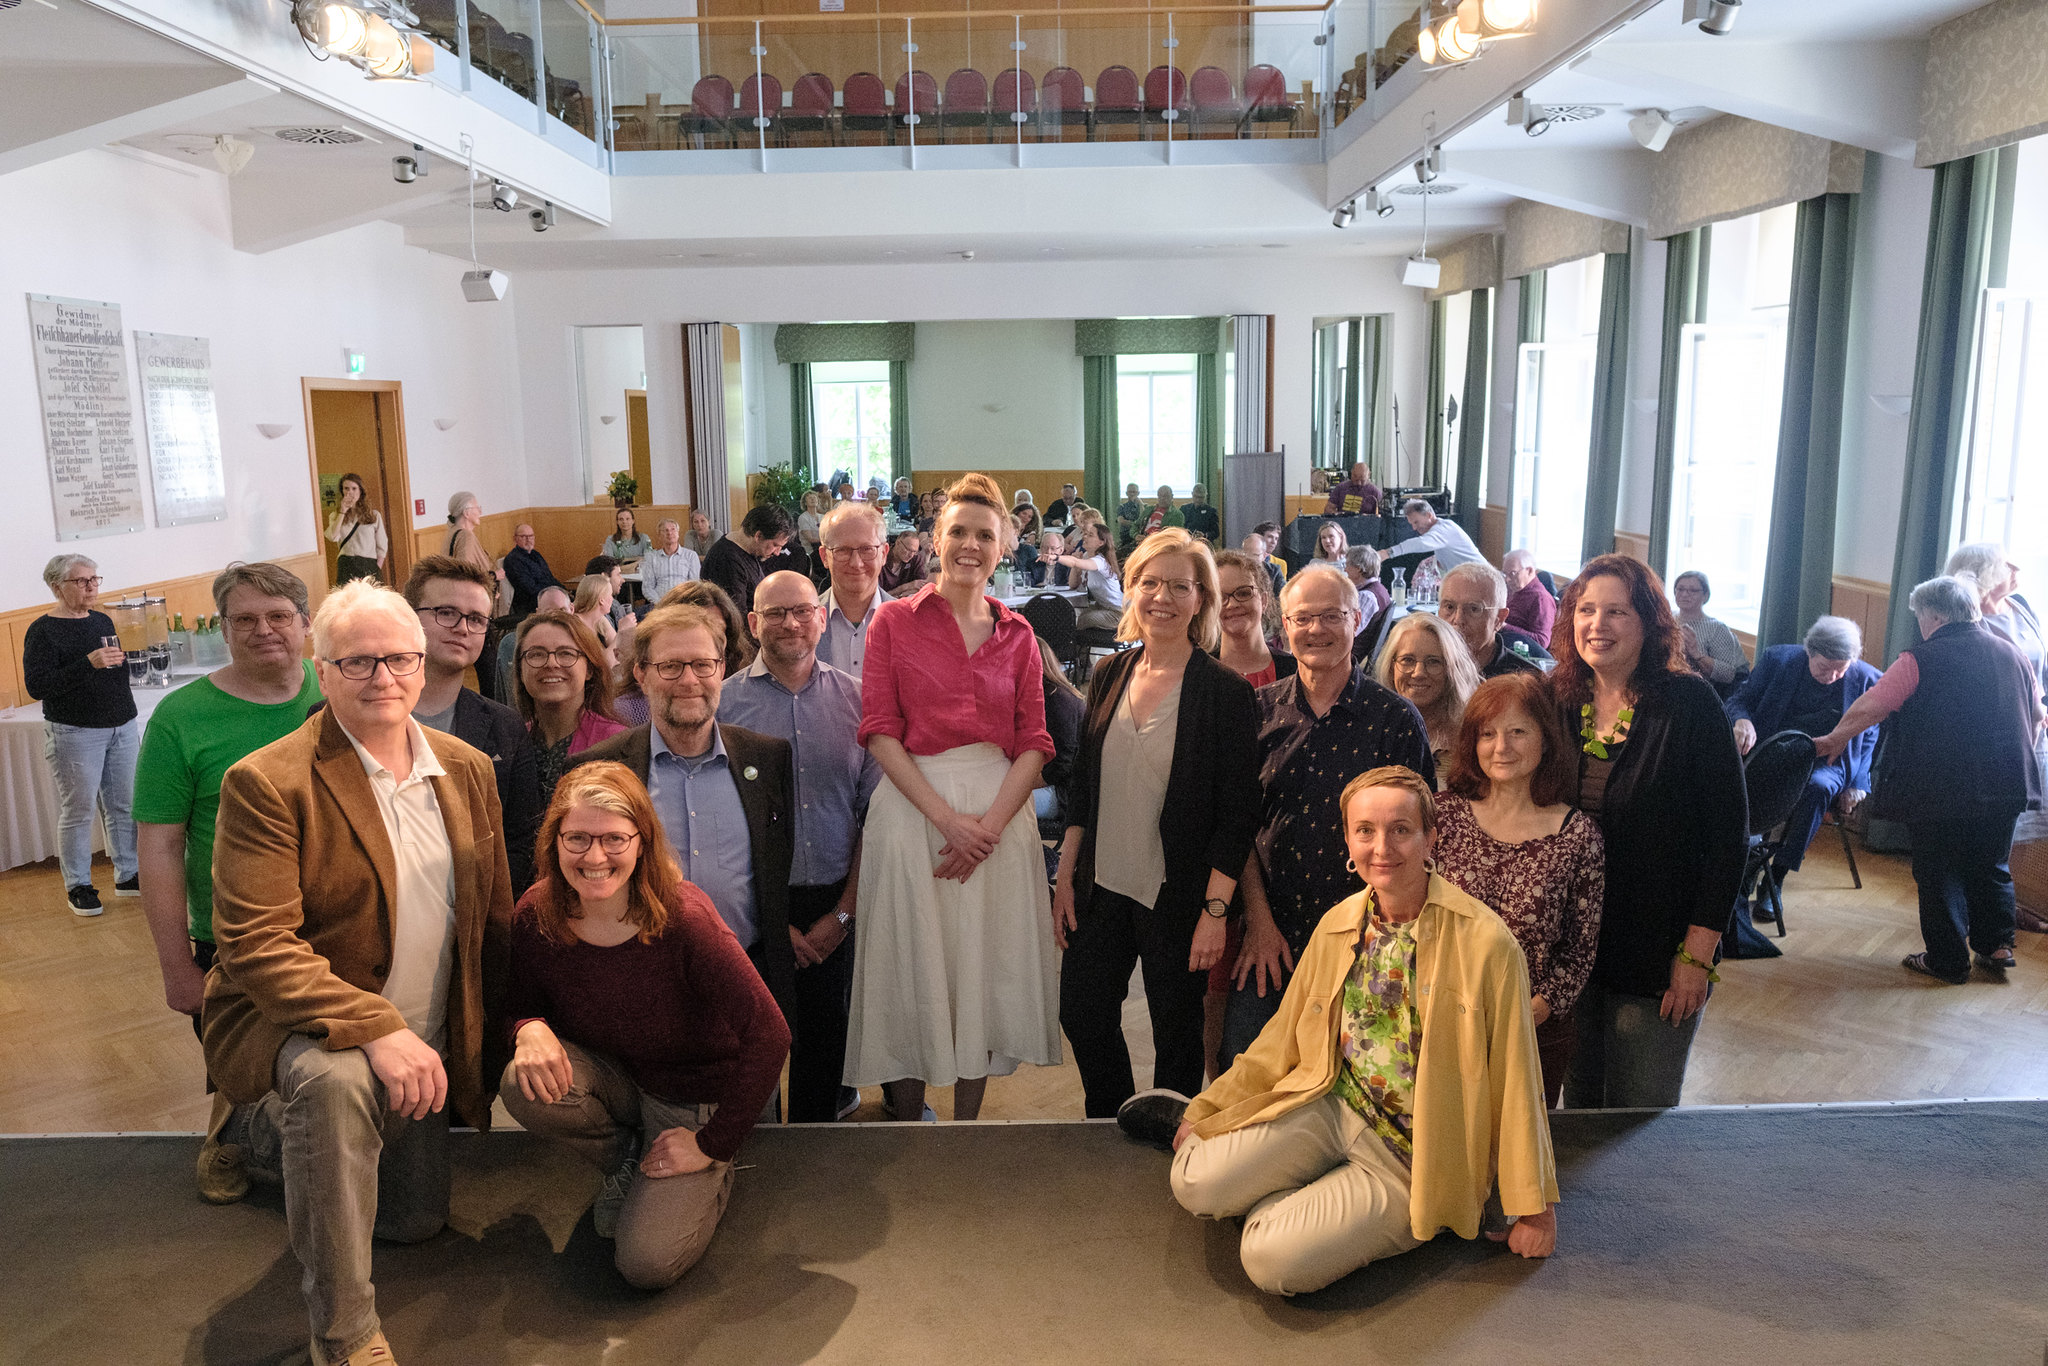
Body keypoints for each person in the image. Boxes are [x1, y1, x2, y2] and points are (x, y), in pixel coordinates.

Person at [198, 581, 512, 1366]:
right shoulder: (267, 782)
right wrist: (376, 1029)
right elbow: (257, 946)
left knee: (413, 1223)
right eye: (360, 661)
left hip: (425, 1035)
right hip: (297, 1021)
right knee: (335, 1088)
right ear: (323, 668)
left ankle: (274, 1139)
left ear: (422, 659)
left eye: (399, 659)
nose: (385, 678)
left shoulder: (468, 768)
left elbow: (494, 915)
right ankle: (344, 1334)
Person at [1153, 765, 1557, 1296]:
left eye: (1401, 829)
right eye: (1365, 830)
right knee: (1192, 1180)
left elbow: (1516, 1076)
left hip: (1409, 1159)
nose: (1382, 847)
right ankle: (1307, 1203)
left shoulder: (1486, 943)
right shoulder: (1339, 922)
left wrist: (1536, 1208)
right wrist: (1206, 1108)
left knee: (1269, 1262)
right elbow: (1282, 1040)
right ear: (1347, 839)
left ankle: (1313, 1212)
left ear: (1431, 838)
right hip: (1329, 1104)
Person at [502, 761, 789, 1285]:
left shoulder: (684, 919)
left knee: (644, 1264)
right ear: (554, 841)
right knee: (520, 1086)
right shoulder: (536, 914)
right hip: (620, 1079)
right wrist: (527, 1026)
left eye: (613, 839)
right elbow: (518, 1001)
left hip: (693, 1098)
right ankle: (628, 1158)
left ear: (641, 841)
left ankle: (720, 1169)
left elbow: (771, 1034)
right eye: (577, 838)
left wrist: (709, 1145)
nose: (594, 857)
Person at [847, 472, 1061, 1123]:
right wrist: (948, 821)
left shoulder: (1019, 634)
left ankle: (967, 1127)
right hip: (914, 811)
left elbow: (1036, 741)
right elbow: (878, 731)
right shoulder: (893, 621)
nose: (970, 545)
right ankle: (910, 1122)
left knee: (983, 968)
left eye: (984, 535)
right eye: (958, 532)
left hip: (1000, 816)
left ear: (1004, 547)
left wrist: (987, 829)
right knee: (910, 961)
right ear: (937, 540)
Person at [1053, 530, 1259, 1117]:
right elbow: (1083, 791)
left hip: (1179, 893)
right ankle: (1114, 1116)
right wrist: (1064, 878)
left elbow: (1237, 815)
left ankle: (1171, 1135)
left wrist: (1216, 914)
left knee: (1176, 1032)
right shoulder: (1110, 674)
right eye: (1149, 582)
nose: (1161, 596)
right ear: (1130, 589)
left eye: (1180, 586)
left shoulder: (1226, 692)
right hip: (1102, 885)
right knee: (1083, 1012)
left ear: (1201, 601)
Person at [1551, 555, 1746, 1109]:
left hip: (1658, 950)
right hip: (1572, 950)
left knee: (1641, 1113)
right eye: (1586, 610)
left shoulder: (1689, 703)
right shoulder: (1560, 699)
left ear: (1649, 622)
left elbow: (1727, 836)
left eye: (1616, 611)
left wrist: (1697, 954)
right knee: (1580, 1109)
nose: (1597, 625)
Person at [1222, 565, 1435, 1068]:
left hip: (1367, 936)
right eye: (1303, 618)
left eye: (1331, 616)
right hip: (1272, 935)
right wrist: (1258, 922)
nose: (1316, 629)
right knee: (1248, 1066)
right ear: (1284, 626)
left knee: (1359, 1077)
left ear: (1357, 620)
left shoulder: (1396, 719)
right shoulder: (1255, 712)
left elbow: (1418, 838)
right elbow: (1238, 826)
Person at [575, 604, 799, 1031]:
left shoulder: (768, 759)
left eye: (702, 664)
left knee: (754, 1096)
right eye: (671, 666)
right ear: (641, 674)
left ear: (721, 670)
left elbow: (775, 872)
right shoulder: (600, 769)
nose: (689, 680)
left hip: (747, 982)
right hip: (636, 981)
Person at [1814, 576, 2044, 983]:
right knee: (1991, 865)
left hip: (1942, 788)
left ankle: (1947, 960)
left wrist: (1835, 739)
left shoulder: (1921, 658)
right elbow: (2038, 717)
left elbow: (1873, 705)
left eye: (1920, 614)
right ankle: (1997, 946)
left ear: (1934, 615)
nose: (1919, 622)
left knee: (1938, 871)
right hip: (2007, 782)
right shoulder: (2013, 654)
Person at [137, 563, 324, 1057]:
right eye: (244, 619)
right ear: (223, 628)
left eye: (279, 615)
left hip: (340, 927)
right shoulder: (179, 719)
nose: (263, 630)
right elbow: (159, 846)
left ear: (307, 622)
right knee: (251, 1092)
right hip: (235, 944)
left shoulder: (338, 687)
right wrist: (176, 966)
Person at [717, 572, 877, 1122]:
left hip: (835, 901)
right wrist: (770, 916)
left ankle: (813, 1160)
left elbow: (870, 819)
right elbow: (721, 821)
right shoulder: (724, 705)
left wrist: (845, 913)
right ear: (753, 623)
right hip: (755, 903)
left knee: (825, 1047)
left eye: (803, 610)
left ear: (821, 617)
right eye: (776, 613)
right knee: (756, 1046)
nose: (791, 623)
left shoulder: (858, 702)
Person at [1434, 674, 1604, 1106]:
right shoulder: (1441, 816)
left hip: (1533, 1031)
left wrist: (1533, 1011)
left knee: (1516, 1161)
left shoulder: (1577, 835)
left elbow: (1579, 949)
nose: (1500, 747)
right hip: (1439, 1021)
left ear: (1546, 740)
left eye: (1517, 732)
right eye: (1487, 734)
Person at [403, 555, 542, 897]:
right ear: (407, 618)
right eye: (446, 613)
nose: (463, 628)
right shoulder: (346, 717)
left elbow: (523, 839)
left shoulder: (504, 726)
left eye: (477, 619)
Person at [1724, 616, 1881, 908]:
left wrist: (1859, 782)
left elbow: (1870, 735)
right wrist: (1742, 720)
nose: (1832, 677)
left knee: (1818, 789)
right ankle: (1749, 861)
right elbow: (1739, 699)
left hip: (1827, 763)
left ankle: (1777, 876)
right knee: (1747, 783)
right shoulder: (1779, 660)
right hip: (1771, 751)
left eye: (1840, 670)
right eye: (1824, 667)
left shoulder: (1868, 679)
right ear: (1809, 652)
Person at [25, 554, 139, 914]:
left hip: (120, 724)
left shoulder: (102, 619)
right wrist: (87, 663)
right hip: (75, 731)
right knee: (78, 810)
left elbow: (116, 669)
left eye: (94, 579)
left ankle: (128, 873)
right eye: (81, 581)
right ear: (57, 586)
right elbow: (37, 686)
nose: (91, 586)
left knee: (123, 804)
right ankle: (79, 885)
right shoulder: (42, 630)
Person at [1949, 542, 2048, 854]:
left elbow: (2041, 665)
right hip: (1996, 736)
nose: (2017, 570)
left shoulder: (2020, 604)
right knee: (1992, 830)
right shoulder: (1964, 621)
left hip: (2036, 728)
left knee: (2024, 826)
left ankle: (2004, 893)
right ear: (1985, 576)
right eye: (2008, 565)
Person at [512, 609, 627, 806]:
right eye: (536, 654)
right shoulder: (511, 741)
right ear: (520, 670)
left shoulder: (616, 744)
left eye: (566, 653)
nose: (551, 663)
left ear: (590, 669)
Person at [1375, 613, 1482, 785]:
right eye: (1407, 660)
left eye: (1433, 662)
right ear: (1391, 667)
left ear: (1452, 670)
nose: (1418, 673)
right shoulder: (1373, 729)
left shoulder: (1473, 736)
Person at [814, 501, 888, 677]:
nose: (856, 563)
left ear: (884, 554)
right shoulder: (802, 622)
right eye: (843, 550)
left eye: (867, 549)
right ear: (824, 557)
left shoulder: (908, 623)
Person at [1439, 561, 1543, 679]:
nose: (1458, 619)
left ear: (1499, 619)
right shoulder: (1427, 664)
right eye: (1449, 607)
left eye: (1474, 609)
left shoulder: (1523, 679)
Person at [1214, 548, 1294, 688]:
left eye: (1244, 593)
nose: (1232, 604)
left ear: (1264, 601)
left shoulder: (1295, 671)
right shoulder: (1196, 673)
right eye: (1221, 597)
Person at [703, 504, 795, 622]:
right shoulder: (727, 559)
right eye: (775, 545)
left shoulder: (749, 551)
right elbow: (737, 619)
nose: (777, 553)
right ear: (758, 536)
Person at [1670, 570, 1747, 694]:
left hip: (1705, 690)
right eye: (1680, 589)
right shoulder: (1667, 619)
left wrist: (1696, 654)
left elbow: (1728, 675)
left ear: (1705, 596)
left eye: (1693, 590)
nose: (1685, 594)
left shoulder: (1717, 628)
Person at [1385, 499, 1483, 573]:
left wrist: (1387, 553)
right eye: (1411, 524)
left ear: (1429, 515)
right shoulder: (1437, 530)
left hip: (1481, 577)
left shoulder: (1444, 528)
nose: (1414, 528)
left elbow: (1422, 543)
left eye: (1416, 522)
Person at [324, 474, 388, 586]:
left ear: (360, 491)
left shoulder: (373, 515)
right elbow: (333, 537)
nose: (350, 492)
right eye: (346, 488)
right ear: (342, 491)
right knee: (348, 601)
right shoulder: (335, 515)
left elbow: (382, 544)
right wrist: (342, 511)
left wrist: (377, 567)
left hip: (368, 563)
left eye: (354, 488)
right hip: (346, 563)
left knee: (371, 601)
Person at [504, 524, 564, 619]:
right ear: (515, 539)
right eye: (524, 537)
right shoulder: (513, 560)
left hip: (548, 595)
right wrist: (553, 594)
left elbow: (550, 577)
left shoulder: (536, 554)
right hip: (531, 604)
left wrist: (563, 591)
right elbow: (529, 588)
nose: (528, 539)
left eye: (531, 536)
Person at [640, 518, 701, 605]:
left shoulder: (691, 556)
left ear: (678, 533)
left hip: (683, 604)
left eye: (673, 529)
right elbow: (647, 587)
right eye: (665, 530)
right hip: (659, 605)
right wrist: (660, 603)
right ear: (659, 536)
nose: (669, 533)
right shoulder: (652, 558)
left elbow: (694, 585)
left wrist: (682, 603)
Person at [1503, 549, 1555, 649]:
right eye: (1505, 574)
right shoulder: (1513, 589)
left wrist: (1504, 627)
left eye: (1512, 574)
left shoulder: (1541, 598)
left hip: (1518, 655)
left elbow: (1541, 641)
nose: (1507, 579)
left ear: (1529, 571)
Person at [444, 492, 500, 585]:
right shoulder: (466, 536)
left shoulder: (451, 532)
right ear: (466, 513)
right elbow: (466, 574)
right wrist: (494, 575)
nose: (480, 512)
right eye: (477, 508)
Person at [572, 572, 624, 669]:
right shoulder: (576, 624)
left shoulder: (600, 619)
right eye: (610, 595)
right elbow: (603, 664)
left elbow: (620, 652)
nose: (612, 599)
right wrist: (622, 631)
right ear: (602, 600)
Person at [878, 527, 926, 597]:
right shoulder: (881, 560)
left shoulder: (915, 559)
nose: (911, 555)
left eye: (914, 552)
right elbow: (878, 597)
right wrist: (905, 587)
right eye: (908, 550)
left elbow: (921, 589)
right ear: (898, 543)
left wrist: (898, 596)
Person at [1116, 483, 1145, 554]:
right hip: (1126, 536)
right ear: (1126, 493)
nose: (1132, 494)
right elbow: (1121, 521)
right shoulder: (1122, 507)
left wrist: (1141, 504)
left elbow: (1144, 519)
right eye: (1130, 492)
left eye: (1134, 492)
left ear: (1138, 493)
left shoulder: (1144, 506)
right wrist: (1135, 525)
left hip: (1139, 535)